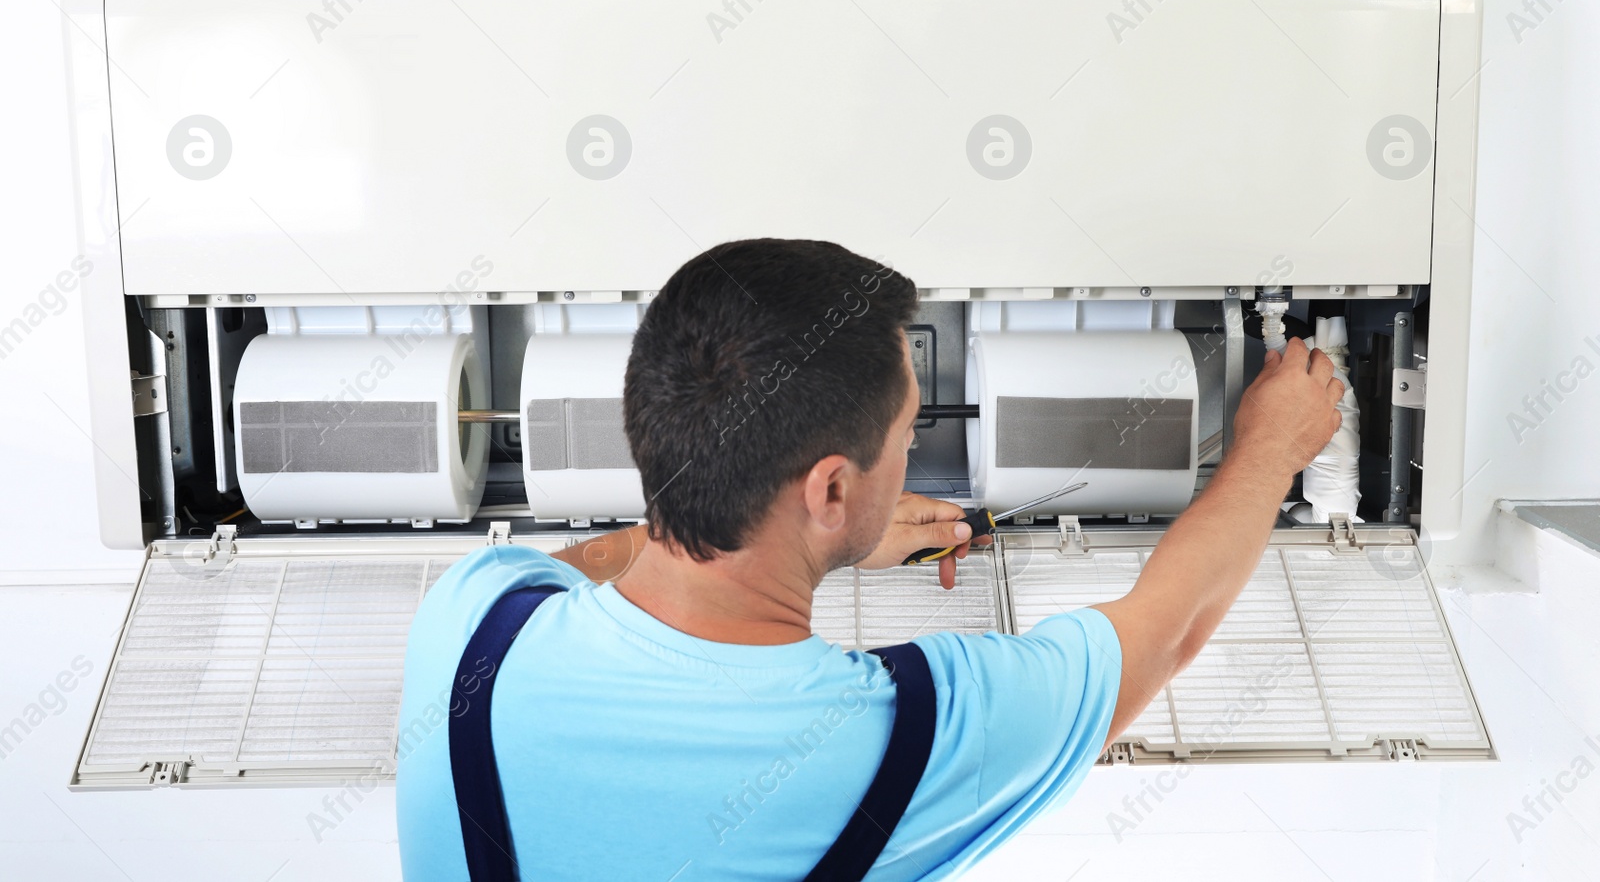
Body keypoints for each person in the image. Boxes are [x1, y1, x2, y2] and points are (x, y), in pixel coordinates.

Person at [396, 238, 1342, 881]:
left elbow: (596, 562)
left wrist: (804, 537)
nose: (911, 450)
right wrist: (1270, 446)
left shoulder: (470, 622)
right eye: (906, 432)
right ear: (833, 486)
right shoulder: (912, 733)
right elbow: (1168, 632)